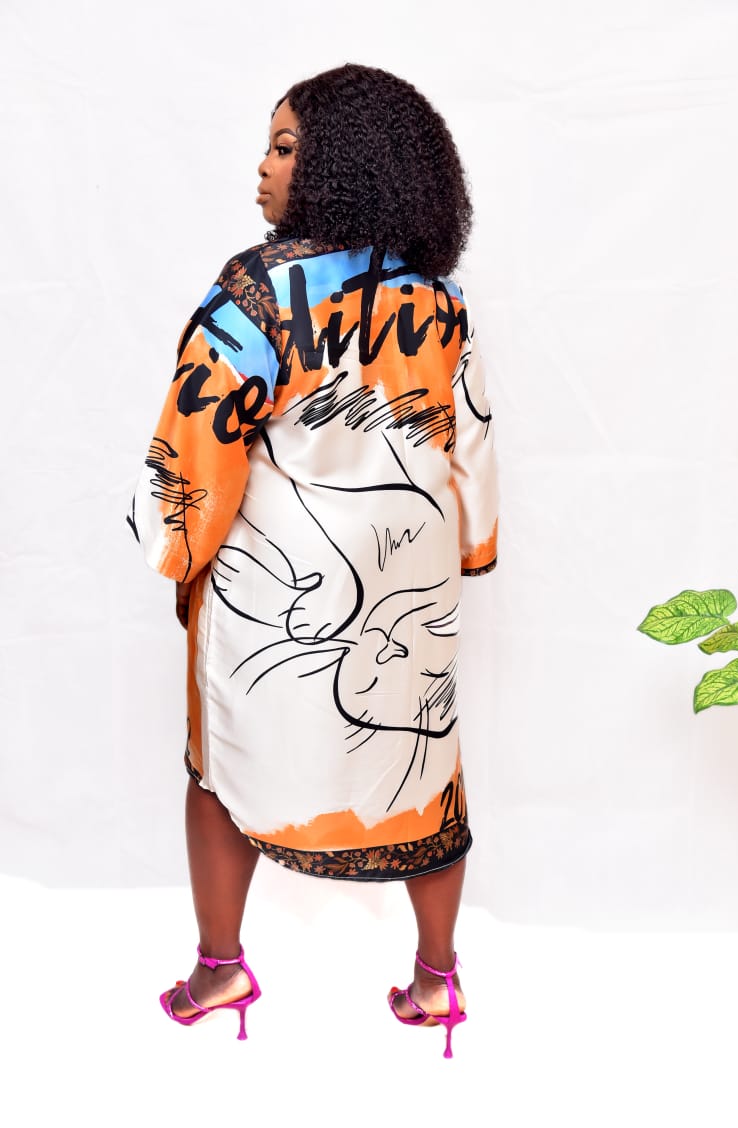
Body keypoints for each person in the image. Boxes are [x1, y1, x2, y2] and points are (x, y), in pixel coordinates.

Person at [129, 62, 498, 1060]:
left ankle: (219, 971)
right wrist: (471, 548)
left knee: (221, 771)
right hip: (412, 585)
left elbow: (197, 437)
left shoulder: (255, 291)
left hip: (276, 591)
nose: (264, 167)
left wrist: (174, 549)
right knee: (426, 771)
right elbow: (469, 439)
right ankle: (436, 982)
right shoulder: (441, 298)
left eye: (286, 147)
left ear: (342, 164)